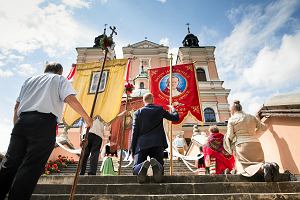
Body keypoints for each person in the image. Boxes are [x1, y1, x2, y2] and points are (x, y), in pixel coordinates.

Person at [0, 62, 93, 200]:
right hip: (43, 123)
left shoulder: (29, 80)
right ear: (60, 72)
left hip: (22, 121)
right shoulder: (59, 79)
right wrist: (87, 118)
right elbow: (69, 98)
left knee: (10, 163)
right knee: (31, 166)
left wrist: (16, 126)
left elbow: (16, 106)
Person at [223, 100, 279, 181]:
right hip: (256, 143)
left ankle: (264, 167)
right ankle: (270, 166)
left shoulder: (232, 120)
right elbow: (263, 127)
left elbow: (229, 136)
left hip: (242, 145)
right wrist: (254, 133)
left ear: (233, 110)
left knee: (246, 168)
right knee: (258, 163)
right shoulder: (251, 117)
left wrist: (228, 147)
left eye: (230, 110)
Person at [131, 93, 179, 183]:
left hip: (142, 144)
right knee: (160, 164)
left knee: (135, 168)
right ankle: (157, 166)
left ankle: (141, 166)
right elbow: (175, 118)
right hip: (158, 143)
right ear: (153, 100)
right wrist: (173, 108)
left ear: (143, 101)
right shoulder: (159, 109)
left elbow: (134, 132)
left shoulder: (138, 113)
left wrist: (133, 149)